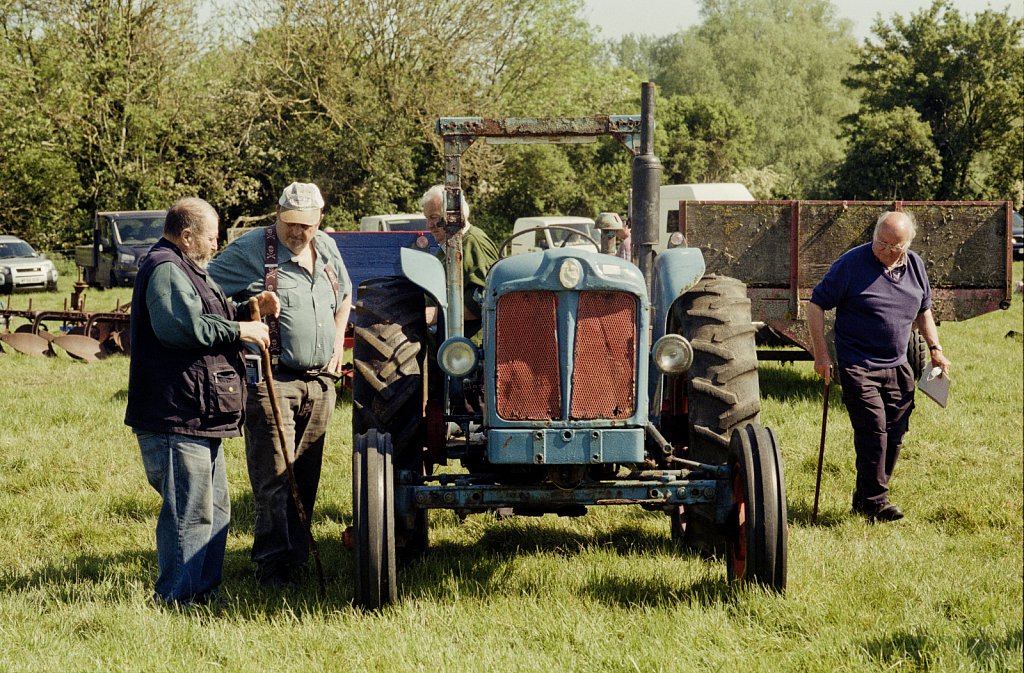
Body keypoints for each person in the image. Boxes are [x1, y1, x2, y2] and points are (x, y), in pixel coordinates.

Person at [125, 197, 277, 606]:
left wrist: (249, 308)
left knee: (216, 510)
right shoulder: (165, 268)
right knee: (189, 515)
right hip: (175, 415)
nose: (215, 244)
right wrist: (241, 329)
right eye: (211, 237)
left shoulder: (189, 269)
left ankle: (202, 595)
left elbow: (209, 312)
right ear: (188, 235)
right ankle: (177, 601)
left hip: (198, 414)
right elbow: (181, 327)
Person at [208, 182, 352, 588]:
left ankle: (297, 560)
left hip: (321, 384)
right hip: (274, 381)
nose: (297, 232)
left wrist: (338, 344)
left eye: (305, 224)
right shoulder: (253, 250)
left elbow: (345, 295)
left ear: (319, 218)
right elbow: (204, 290)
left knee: (305, 475)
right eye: (290, 223)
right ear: (277, 214)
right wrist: (245, 312)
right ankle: (272, 568)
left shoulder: (326, 248)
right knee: (274, 478)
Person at [808, 211, 951, 522]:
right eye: (880, 243)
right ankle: (876, 502)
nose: (885, 250)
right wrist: (821, 355)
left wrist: (936, 349)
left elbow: (924, 310)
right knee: (873, 430)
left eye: (894, 246)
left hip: (899, 363)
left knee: (896, 431)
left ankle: (865, 497)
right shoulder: (850, 264)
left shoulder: (914, 266)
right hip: (858, 363)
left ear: (907, 245)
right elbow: (816, 304)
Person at [420, 185, 498, 338]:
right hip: (450, 346)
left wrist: (435, 314)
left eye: (434, 218)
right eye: (427, 219)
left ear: (454, 215)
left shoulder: (473, 244)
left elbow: (485, 300)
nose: (428, 226)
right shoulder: (448, 247)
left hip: (469, 351)